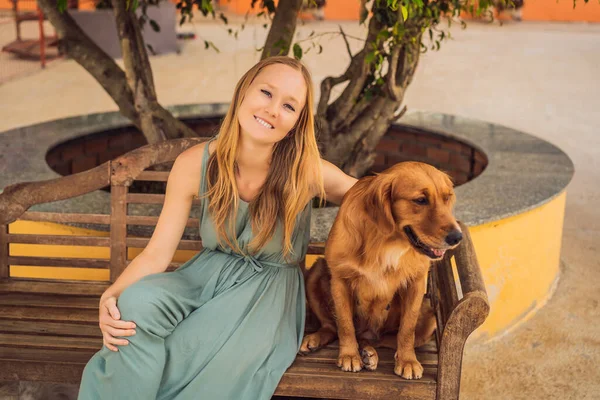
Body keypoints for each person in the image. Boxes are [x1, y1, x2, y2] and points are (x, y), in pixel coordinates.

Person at [78, 55, 357, 400]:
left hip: (266, 293)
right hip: (204, 277)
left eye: (289, 106)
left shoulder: (308, 170)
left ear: (298, 122)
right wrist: (111, 295)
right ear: (243, 93)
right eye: (266, 93)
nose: (272, 110)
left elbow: (373, 199)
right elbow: (156, 254)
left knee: (189, 350)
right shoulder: (194, 163)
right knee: (136, 304)